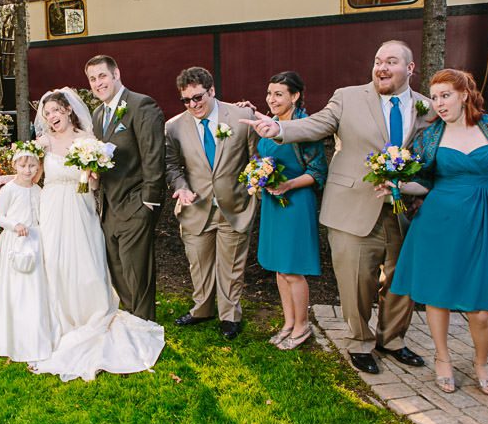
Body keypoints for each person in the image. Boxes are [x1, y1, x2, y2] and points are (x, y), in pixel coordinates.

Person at [244, 40, 432, 374]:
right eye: (378, 61)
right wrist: (280, 128)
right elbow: (316, 124)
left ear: (410, 68)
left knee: (400, 279)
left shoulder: (427, 108)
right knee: (355, 281)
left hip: (404, 208)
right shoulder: (347, 97)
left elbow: (433, 153)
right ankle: (360, 341)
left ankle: (392, 339)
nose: (382, 67)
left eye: (391, 61)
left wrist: (419, 189)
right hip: (352, 204)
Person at [387, 69, 488, 395]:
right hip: (437, 223)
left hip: (481, 222)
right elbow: (422, 182)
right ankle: (442, 358)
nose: (439, 103)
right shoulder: (430, 135)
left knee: (481, 310)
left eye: (446, 96)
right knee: (437, 296)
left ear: (465, 95)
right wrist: (396, 186)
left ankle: (481, 362)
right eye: (435, 97)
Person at [31, 89, 165, 382]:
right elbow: (30, 175)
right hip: (52, 207)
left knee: (87, 263)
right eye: (47, 113)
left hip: (80, 206)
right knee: (55, 262)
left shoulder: (88, 140)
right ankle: (58, 317)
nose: (51, 117)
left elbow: (95, 185)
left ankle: (90, 312)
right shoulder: (43, 142)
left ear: (68, 110)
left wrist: (91, 172)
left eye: (55, 110)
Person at [164, 67, 258, 340]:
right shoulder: (174, 127)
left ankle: (230, 316)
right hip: (196, 207)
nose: (193, 105)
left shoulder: (241, 117)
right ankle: (202, 309)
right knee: (199, 265)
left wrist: (254, 190)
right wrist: (181, 188)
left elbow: (256, 159)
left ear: (212, 91)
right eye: (186, 100)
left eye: (198, 97)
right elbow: (172, 166)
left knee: (231, 268)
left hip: (235, 206)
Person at [86, 55, 166, 321]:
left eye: (102, 76)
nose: (98, 83)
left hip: (136, 202)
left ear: (116, 74)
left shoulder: (141, 105)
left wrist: (149, 202)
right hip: (108, 206)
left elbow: (153, 155)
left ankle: (144, 326)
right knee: (118, 270)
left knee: (137, 272)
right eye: (92, 79)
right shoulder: (98, 114)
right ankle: (131, 320)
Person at [254, 72, 327, 350]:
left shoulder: (305, 127)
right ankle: (288, 322)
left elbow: (318, 172)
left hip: (296, 202)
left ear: (295, 96)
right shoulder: (269, 122)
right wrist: (257, 176)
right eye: (269, 93)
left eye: (278, 94)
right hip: (273, 202)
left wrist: (288, 185)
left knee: (292, 269)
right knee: (279, 267)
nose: (271, 99)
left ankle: (302, 326)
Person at [0, 145, 54, 363]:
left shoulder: (38, 190)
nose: (28, 170)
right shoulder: (9, 189)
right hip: (13, 242)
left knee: (35, 287)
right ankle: (10, 330)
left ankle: (35, 329)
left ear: (38, 167)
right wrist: (14, 225)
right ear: (14, 165)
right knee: (14, 287)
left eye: (32, 166)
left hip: (35, 241)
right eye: (23, 166)